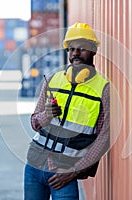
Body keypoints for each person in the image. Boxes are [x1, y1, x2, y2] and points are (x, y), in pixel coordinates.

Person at [24, 22, 110, 200]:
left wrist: (73, 172)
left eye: (82, 48)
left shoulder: (104, 89)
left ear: (94, 50)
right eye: (71, 49)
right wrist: (47, 115)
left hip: (64, 174)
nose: (75, 53)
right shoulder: (52, 80)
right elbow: (34, 123)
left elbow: (103, 138)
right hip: (34, 166)